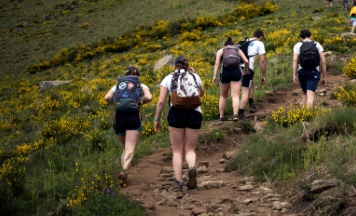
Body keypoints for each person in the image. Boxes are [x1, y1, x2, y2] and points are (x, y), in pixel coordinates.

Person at [154, 56, 205, 192]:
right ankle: (192, 166)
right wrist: (193, 74)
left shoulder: (168, 78)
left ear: (174, 66)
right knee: (190, 149)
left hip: (176, 113)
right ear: (188, 66)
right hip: (194, 113)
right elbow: (202, 93)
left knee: (177, 150)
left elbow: (161, 101)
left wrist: (157, 120)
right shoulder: (195, 76)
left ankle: (178, 181)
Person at [104, 65, 153, 187]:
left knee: (125, 148)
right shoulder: (141, 85)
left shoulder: (118, 86)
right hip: (133, 116)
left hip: (118, 117)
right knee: (130, 147)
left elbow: (107, 97)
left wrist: (115, 104)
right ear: (138, 76)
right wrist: (140, 102)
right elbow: (149, 97)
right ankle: (124, 171)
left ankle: (124, 172)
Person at [212, 37, 249, 121]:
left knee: (223, 96)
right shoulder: (237, 50)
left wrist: (214, 76)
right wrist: (245, 70)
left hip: (225, 73)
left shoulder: (221, 51)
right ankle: (235, 115)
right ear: (233, 45)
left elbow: (217, 63)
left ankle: (221, 117)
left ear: (225, 45)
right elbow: (246, 61)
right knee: (235, 95)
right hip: (236, 72)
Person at [292, 29, 326, 107]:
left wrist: (294, 74)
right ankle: (308, 117)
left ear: (301, 38)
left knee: (305, 93)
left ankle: (303, 114)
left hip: (301, 71)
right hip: (313, 71)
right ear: (310, 36)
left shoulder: (297, 45)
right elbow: (323, 62)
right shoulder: (317, 44)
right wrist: (324, 77)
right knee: (310, 96)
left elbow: (295, 60)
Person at [239, 30, 266, 118]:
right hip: (247, 68)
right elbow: (262, 61)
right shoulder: (259, 43)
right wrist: (263, 75)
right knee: (245, 91)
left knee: (251, 84)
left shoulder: (245, 41)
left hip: (235, 67)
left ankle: (251, 103)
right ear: (261, 37)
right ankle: (240, 112)